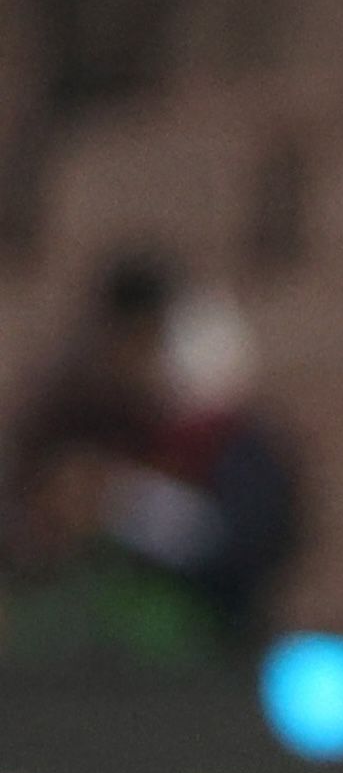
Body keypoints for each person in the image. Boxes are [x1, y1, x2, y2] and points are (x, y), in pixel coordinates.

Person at [1, 254, 300, 666]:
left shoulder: (235, 450)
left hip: (190, 662)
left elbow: (241, 557)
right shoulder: (71, 421)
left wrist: (123, 503)